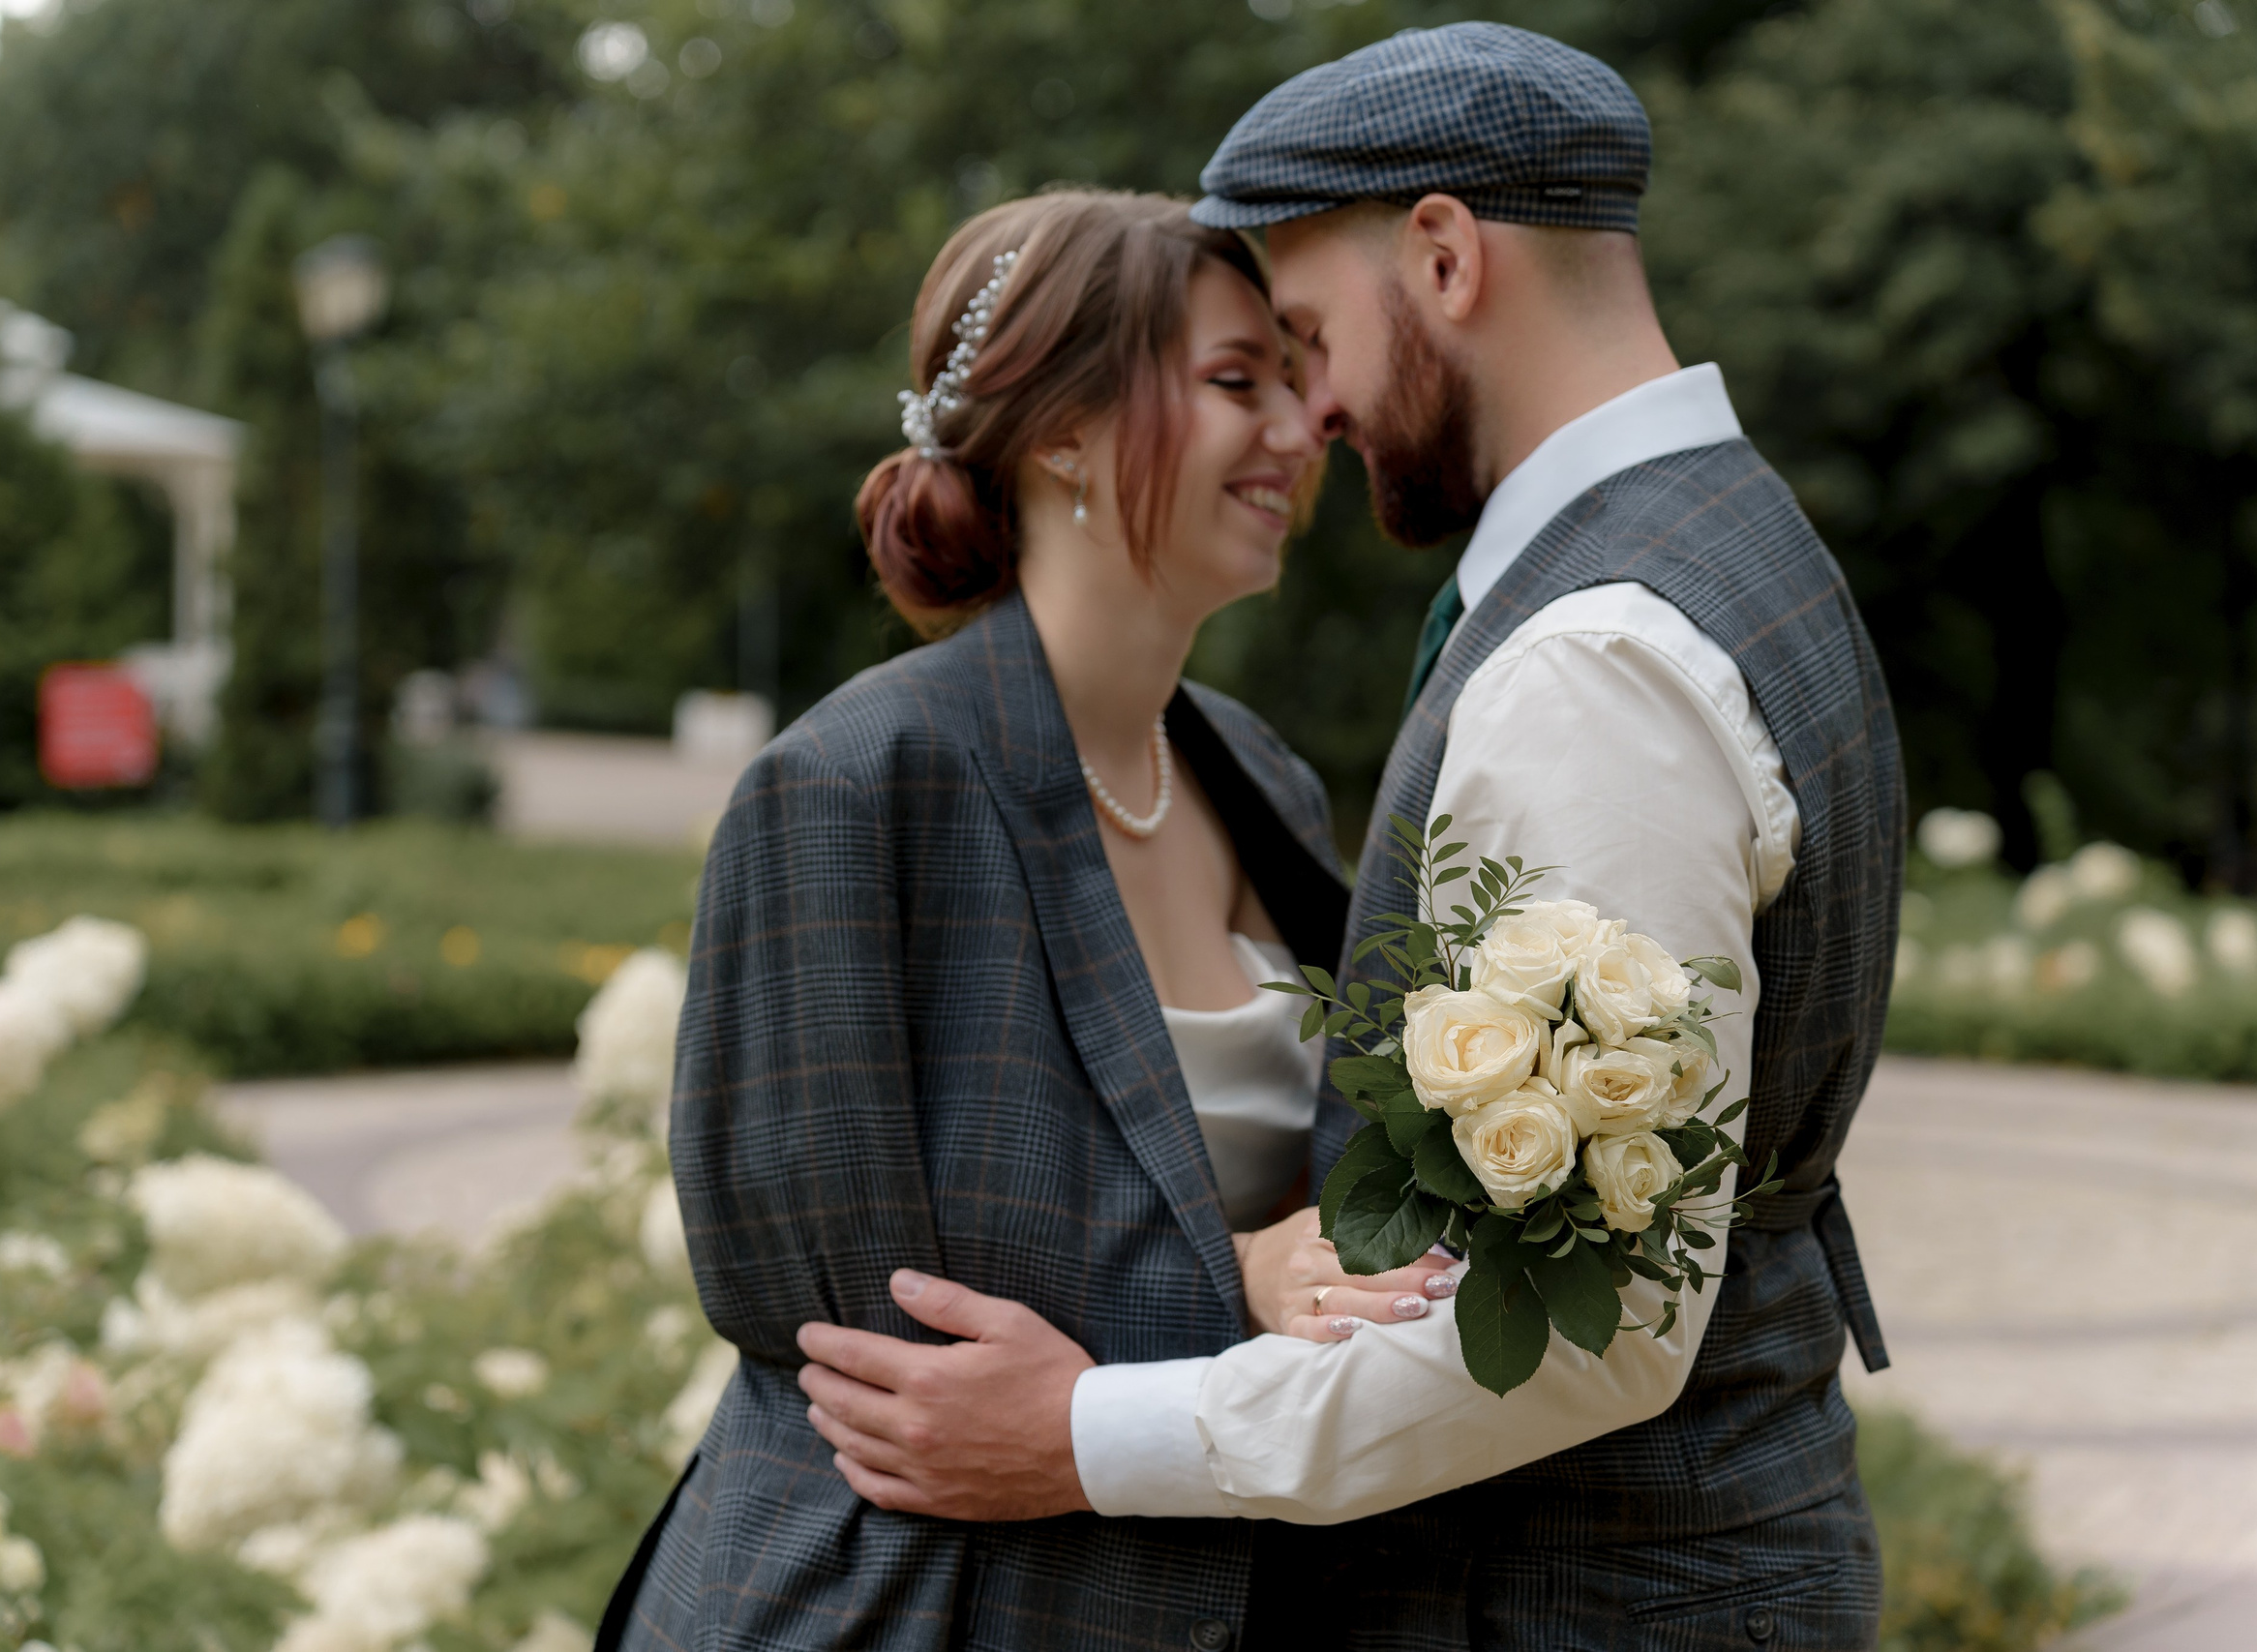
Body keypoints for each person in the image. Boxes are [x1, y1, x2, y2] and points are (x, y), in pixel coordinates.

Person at [793, 23, 1907, 1650]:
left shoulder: (1593, 660)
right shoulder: (1731, 541)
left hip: (1581, 1604)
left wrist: (1086, 1435)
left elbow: (1582, 1328)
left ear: (1445, 258)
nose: (1310, 415)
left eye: (1307, 338)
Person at [595, 189, 1369, 1652]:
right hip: (901, 1606)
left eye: (1292, 376)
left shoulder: (1263, 777)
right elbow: (857, 1327)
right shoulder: (848, 788)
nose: (1301, 424)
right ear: (1063, 432)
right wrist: (1247, 1280)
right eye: (1234, 381)